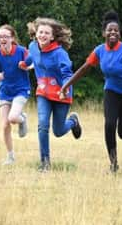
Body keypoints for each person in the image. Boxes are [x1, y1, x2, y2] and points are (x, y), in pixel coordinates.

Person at [60, 11, 122, 173]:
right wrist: (66, 85)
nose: (113, 33)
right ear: (104, 33)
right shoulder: (99, 51)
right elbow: (84, 69)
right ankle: (113, 163)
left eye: (116, 30)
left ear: (119, 33)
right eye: (109, 30)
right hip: (111, 91)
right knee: (109, 124)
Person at [21, 17, 82, 172]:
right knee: (42, 125)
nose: (43, 35)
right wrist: (24, 64)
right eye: (40, 32)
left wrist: (65, 88)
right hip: (43, 92)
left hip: (62, 93)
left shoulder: (60, 53)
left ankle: (73, 121)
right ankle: (45, 162)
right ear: (36, 33)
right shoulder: (33, 46)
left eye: (46, 33)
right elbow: (31, 57)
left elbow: (68, 73)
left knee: (58, 131)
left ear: (52, 36)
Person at [0, 24, 30, 165]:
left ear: (12, 38)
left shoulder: (22, 51)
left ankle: (22, 119)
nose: (2, 39)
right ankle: (10, 157)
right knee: (5, 125)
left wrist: (26, 65)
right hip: (4, 92)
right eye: (0, 36)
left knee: (12, 118)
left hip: (21, 90)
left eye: (5, 36)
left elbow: (34, 64)